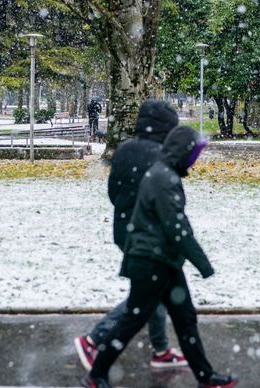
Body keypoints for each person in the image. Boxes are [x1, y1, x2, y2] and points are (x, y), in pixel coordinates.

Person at [81, 125, 238, 388]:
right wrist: (204, 265)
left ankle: (205, 378)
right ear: (181, 152)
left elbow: (175, 227)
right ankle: (97, 375)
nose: (195, 160)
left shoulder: (165, 174)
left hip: (163, 261)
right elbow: (177, 228)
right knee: (132, 320)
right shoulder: (163, 178)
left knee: (185, 319)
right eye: (193, 154)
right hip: (150, 262)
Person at [73, 100, 187, 372]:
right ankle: (94, 340)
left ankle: (160, 349)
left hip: (125, 229)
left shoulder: (124, 149)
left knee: (153, 287)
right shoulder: (163, 155)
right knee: (147, 293)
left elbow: (113, 191)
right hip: (150, 235)